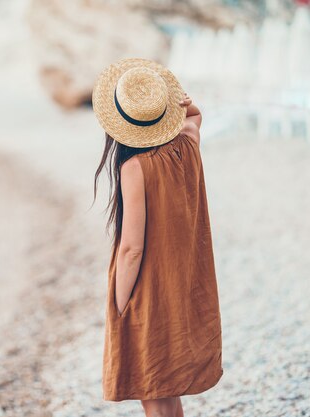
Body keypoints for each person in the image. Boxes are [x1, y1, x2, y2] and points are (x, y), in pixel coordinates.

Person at [91, 58, 224, 417]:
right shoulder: (187, 144)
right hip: (182, 283)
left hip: (147, 290)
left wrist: (120, 306)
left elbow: (132, 249)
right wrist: (184, 102)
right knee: (166, 387)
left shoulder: (135, 168)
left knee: (153, 387)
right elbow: (195, 117)